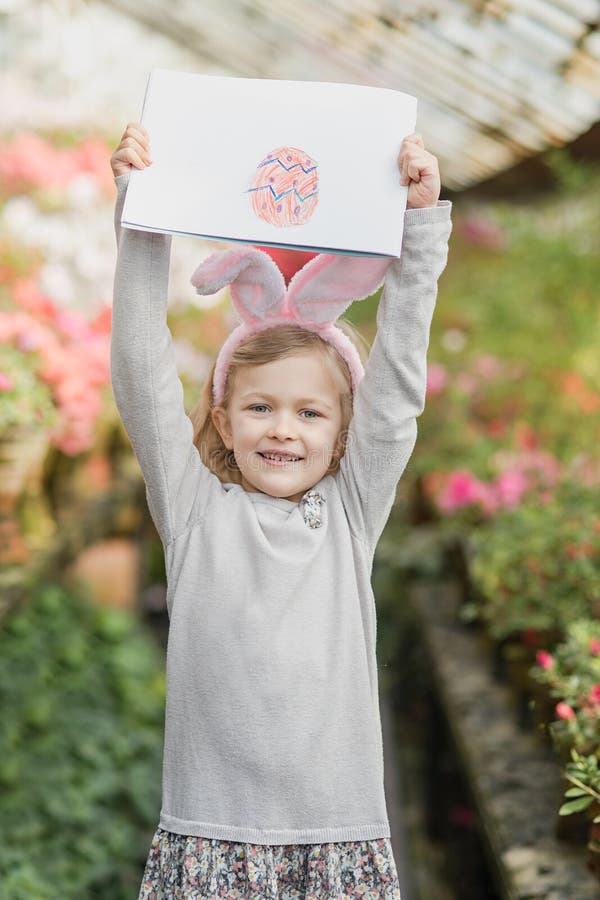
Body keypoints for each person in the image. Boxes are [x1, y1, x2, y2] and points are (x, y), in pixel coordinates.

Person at [110, 120, 451, 899]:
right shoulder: (195, 514)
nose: (283, 430)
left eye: (309, 414)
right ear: (224, 420)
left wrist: (421, 231)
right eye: (261, 407)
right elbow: (140, 372)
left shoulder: (351, 514)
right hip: (210, 836)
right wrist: (142, 217)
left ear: (343, 435)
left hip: (336, 839)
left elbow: (397, 388)